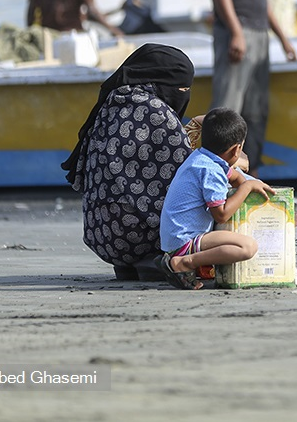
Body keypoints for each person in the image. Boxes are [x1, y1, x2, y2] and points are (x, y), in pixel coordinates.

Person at [61, 43, 196, 280]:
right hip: (137, 236)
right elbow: (190, 174)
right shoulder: (155, 111)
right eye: (182, 88)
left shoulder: (115, 101)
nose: (183, 94)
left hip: (101, 234)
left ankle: (132, 264)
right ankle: (158, 261)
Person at [208, 0, 297, 176]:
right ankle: (215, 177)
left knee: (256, 110)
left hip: (260, 35)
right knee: (227, 109)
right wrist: (235, 31)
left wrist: (283, 39)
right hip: (239, 33)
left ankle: (251, 174)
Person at [157, 107, 274, 290]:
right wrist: (247, 187)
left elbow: (234, 176)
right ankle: (185, 262)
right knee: (248, 247)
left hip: (175, 237)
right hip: (184, 241)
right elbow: (221, 215)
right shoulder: (210, 171)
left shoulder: (202, 157)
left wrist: (243, 181)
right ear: (237, 150)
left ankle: (185, 260)